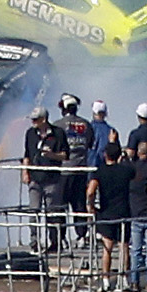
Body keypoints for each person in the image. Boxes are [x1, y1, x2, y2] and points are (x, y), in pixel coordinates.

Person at [87, 146, 136, 287]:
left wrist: (91, 206)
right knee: (124, 247)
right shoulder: (125, 171)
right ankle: (124, 279)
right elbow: (134, 172)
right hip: (124, 212)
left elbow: (90, 191)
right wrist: (125, 158)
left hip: (106, 213)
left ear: (105, 155)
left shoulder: (100, 171)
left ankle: (106, 280)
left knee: (107, 248)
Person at [23, 107, 69, 252]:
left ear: (44, 119)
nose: (33, 122)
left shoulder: (58, 133)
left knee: (52, 213)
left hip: (52, 179)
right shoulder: (30, 134)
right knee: (33, 211)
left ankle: (54, 243)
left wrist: (52, 155)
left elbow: (65, 155)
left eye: (35, 119)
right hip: (35, 179)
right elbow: (27, 155)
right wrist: (25, 172)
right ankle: (34, 243)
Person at [58, 96, 95, 246]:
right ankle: (81, 235)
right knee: (79, 204)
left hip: (64, 171)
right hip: (81, 170)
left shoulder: (58, 125)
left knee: (60, 206)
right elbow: (90, 144)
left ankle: (61, 237)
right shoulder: (86, 124)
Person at [127, 137, 147, 290]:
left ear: (138, 153)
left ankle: (134, 281)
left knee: (136, 251)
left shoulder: (131, 169)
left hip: (135, 214)